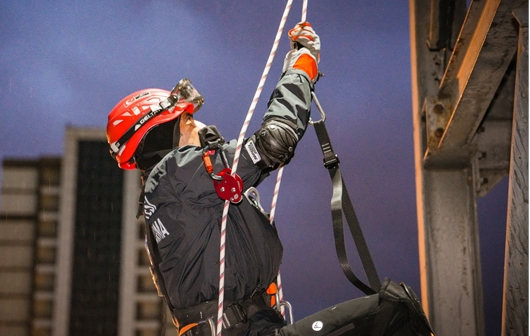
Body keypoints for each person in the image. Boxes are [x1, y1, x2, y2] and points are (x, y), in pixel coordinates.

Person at [107, 22, 433, 336]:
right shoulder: (177, 173)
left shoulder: (166, 195)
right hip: (246, 330)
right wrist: (301, 68)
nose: (196, 124)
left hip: (251, 326)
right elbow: (276, 140)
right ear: (158, 132)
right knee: (395, 312)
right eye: (186, 118)